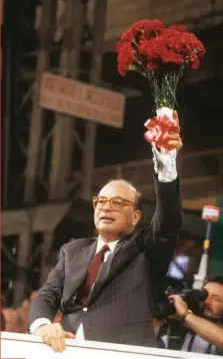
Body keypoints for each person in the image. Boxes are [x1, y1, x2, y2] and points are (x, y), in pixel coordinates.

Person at [29, 132, 183, 352]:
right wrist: (43, 326)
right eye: (100, 201)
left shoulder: (147, 248)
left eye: (117, 202)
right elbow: (46, 296)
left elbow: (169, 219)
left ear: (136, 217)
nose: (106, 207)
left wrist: (166, 161)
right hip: (66, 352)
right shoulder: (72, 251)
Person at [168, 274, 223, 355]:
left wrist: (185, 314)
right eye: (205, 295)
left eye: (216, 298)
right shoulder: (186, 326)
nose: (207, 301)